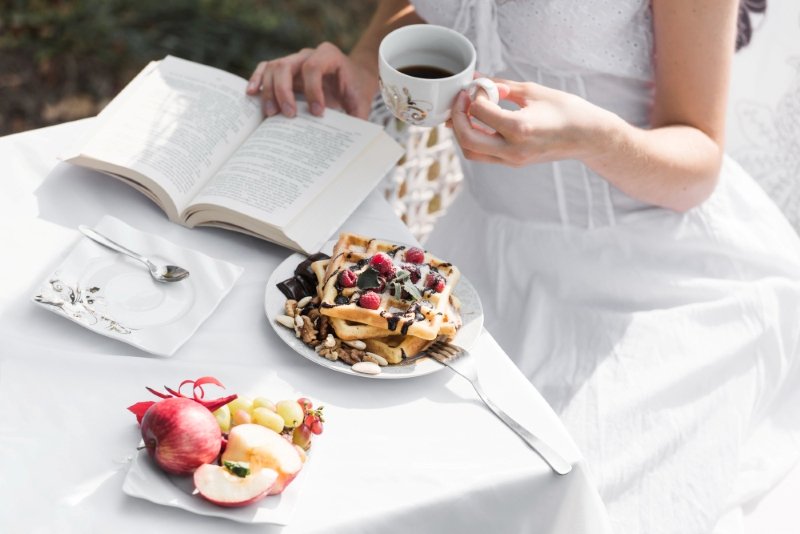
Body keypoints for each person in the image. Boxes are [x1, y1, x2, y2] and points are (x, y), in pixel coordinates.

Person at [248, 1, 800, 532]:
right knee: (371, 482)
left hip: (658, 279)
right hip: (481, 260)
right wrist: (368, 63)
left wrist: (595, 138)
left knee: (577, 508)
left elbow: (699, 161)